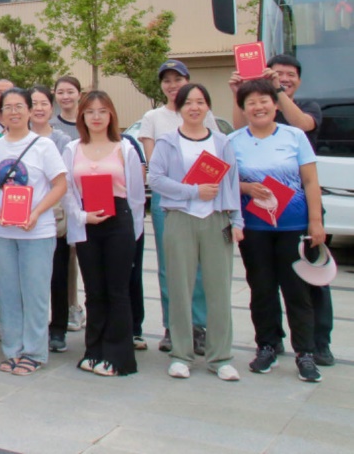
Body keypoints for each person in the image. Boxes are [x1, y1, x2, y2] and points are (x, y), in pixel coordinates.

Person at [230, 54, 333, 367]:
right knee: (261, 290)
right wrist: (247, 188)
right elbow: (227, 183)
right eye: (251, 103)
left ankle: (306, 351)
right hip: (255, 227)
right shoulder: (233, 141)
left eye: (264, 101)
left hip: (293, 226)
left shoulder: (295, 136)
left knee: (298, 290)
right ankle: (267, 345)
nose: (258, 107)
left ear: (275, 104)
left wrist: (315, 222)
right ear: (243, 108)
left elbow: (310, 181)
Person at [148, 83, 243, 382]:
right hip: (180, 219)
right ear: (179, 107)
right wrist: (192, 191)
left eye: (200, 102)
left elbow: (232, 182)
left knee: (218, 290)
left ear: (208, 107)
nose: (194, 107)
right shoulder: (167, 142)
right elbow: (155, 179)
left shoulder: (221, 142)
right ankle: (181, 354)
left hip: (216, 220)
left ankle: (220, 357)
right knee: (179, 288)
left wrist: (237, 220)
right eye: (188, 102)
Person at [61, 91, 146, 377]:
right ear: (82, 116)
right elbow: (67, 191)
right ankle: (94, 351)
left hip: (118, 222)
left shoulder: (126, 148)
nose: (96, 117)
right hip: (87, 222)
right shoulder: (72, 148)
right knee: (94, 291)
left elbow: (136, 197)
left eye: (102, 111)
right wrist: (82, 216)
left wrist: (133, 233)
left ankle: (117, 356)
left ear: (111, 115)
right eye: (90, 112)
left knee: (117, 290)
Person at [138, 59, 218, 354]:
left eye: (178, 79)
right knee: (169, 265)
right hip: (168, 198)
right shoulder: (153, 118)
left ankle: (198, 325)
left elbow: (213, 156)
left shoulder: (204, 115)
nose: (172, 86)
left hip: (203, 196)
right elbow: (154, 163)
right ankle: (173, 326)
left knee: (199, 265)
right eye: (167, 80)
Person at [0, 88, 68, 376]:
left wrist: (36, 213)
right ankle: (12, 349)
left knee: (35, 293)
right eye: (7, 107)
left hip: (37, 231)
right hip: (1, 232)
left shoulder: (44, 146)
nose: (14, 112)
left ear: (29, 110)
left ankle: (34, 352)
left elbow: (60, 184)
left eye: (19, 106)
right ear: (0, 114)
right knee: (7, 293)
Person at [29, 85, 74, 354]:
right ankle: (32, 328)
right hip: (23, 218)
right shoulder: (17, 137)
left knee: (58, 275)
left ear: (51, 107)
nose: (39, 108)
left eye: (44, 103)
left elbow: (66, 180)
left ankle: (58, 328)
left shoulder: (61, 140)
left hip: (55, 216)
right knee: (30, 279)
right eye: (34, 103)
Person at [52, 76, 82, 141]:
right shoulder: (50, 126)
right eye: (60, 93)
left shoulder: (90, 124)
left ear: (79, 95)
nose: (65, 97)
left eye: (70, 92)